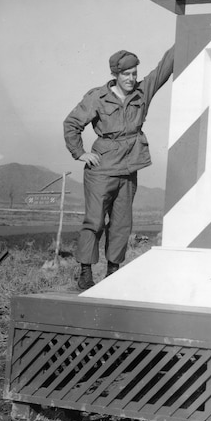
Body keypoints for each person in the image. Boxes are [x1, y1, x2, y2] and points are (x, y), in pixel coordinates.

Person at [64, 47, 173, 290]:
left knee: (122, 223)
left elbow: (164, 67)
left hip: (129, 167)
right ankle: (85, 270)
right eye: (126, 75)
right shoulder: (98, 97)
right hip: (101, 169)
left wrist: (188, 29)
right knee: (94, 221)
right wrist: (80, 153)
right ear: (116, 74)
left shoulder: (142, 93)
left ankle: (113, 271)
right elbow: (72, 123)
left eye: (134, 74)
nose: (131, 79)